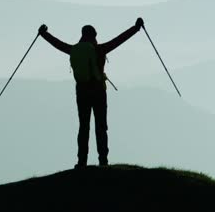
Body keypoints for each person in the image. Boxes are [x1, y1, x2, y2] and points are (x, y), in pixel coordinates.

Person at [38, 18, 144, 168]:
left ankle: (82, 161)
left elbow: (58, 44)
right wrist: (136, 28)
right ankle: (103, 161)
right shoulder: (100, 50)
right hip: (99, 91)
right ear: (94, 35)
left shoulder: (73, 49)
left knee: (83, 127)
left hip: (81, 92)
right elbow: (119, 40)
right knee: (101, 126)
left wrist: (44, 34)